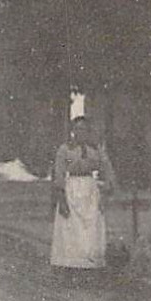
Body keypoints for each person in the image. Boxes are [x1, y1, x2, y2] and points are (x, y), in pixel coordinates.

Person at [50, 117, 116, 278]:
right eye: (77, 129)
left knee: (91, 226)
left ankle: (90, 266)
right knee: (71, 227)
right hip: (71, 187)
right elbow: (58, 173)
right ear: (72, 131)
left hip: (89, 189)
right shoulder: (65, 149)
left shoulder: (96, 149)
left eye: (84, 130)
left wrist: (108, 187)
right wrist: (61, 197)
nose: (81, 133)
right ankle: (71, 266)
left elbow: (107, 167)